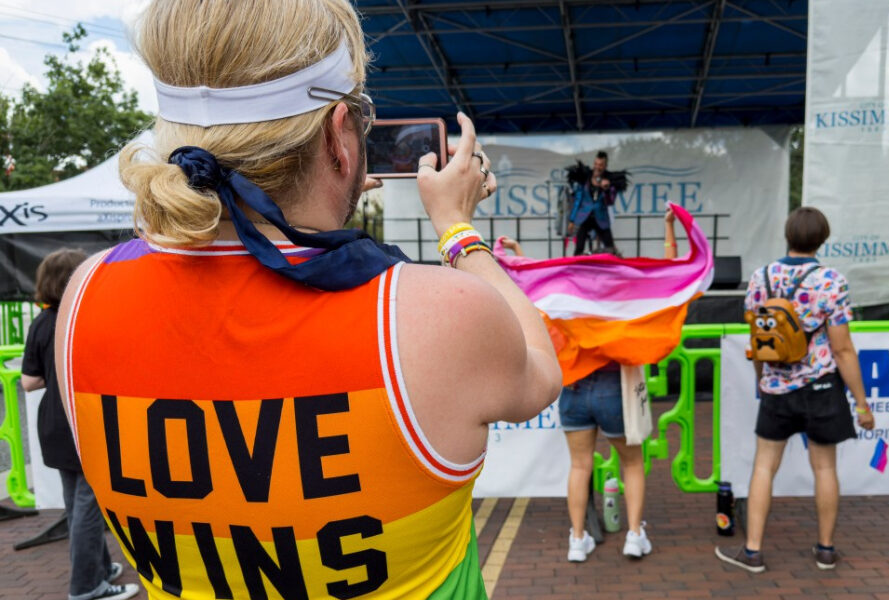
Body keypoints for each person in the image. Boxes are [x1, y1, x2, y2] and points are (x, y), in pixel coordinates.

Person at [54, 2, 561, 599]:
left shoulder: (85, 296)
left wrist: (321, 204)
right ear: (338, 136)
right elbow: (541, 368)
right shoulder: (434, 315)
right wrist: (457, 227)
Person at [501, 208, 679, 563]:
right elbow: (667, 281)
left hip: (574, 393)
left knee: (580, 466)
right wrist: (668, 227)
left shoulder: (566, 305)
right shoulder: (625, 305)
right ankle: (633, 535)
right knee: (632, 464)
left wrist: (518, 256)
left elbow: (535, 294)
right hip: (616, 392)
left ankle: (577, 539)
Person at [716, 206, 875, 573]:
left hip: (776, 387)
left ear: (787, 235)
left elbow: (759, 340)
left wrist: (762, 379)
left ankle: (753, 552)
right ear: (822, 239)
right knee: (824, 468)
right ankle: (825, 550)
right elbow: (843, 349)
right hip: (821, 385)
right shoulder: (831, 281)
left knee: (763, 467)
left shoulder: (761, 278)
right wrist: (862, 404)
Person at [21, 248, 139, 600]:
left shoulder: (41, 322)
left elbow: (29, 381)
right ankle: (87, 587)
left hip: (52, 426)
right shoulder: (85, 317)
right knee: (89, 509)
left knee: (78, 506)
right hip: (83, 424)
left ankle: (99, 569)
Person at [567, 151, 617, 256]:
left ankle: (616, 269)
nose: (598, 167)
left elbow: (610, 202)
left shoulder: (609, 180)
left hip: (601, 217)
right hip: (585, 217)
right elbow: (578, 200)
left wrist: (606, 190)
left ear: (605, 166)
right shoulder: (586, 179)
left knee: (610, 247)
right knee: (579, 247)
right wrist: (572, 220)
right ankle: (575, 269)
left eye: (601, 165)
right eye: (596, 164)